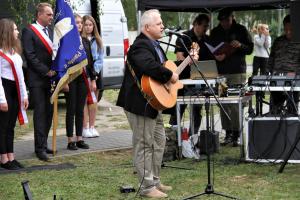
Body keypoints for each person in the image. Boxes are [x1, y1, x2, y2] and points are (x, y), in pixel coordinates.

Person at [116, 9, 178, 198]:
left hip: (153, 102)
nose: (163, 26)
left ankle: (155, 180)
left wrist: (177, 65)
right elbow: (149, 66)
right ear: (147, 27)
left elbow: (161, 66)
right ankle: (146, 187)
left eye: (161, 23)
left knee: (159, 141)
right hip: (140, 103)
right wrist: (169, 75)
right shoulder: (140, 46)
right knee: (143, 144)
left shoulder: (155, 45)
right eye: (159, 23)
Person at [209, 8, 253, 147]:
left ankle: (237, 133)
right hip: (221, 71)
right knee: (223, 103)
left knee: (235, 103)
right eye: (222, 21)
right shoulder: (215, 31)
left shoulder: (241, 29)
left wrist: (240, 45)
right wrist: (215, 56)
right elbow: (210, 48)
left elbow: (250, 49)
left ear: (232, 17)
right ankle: (227, 133)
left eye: (226, 20)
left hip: (236, 71)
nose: (224, 23)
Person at [169, 14, 213, 136]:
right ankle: (174, 136)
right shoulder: (183, 37)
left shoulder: (207, 39)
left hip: (199, 79)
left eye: (207, 26)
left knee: (197, 108)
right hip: (183, 78)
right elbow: (179, 55)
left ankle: (193, 136)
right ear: (196, 24)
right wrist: (189, 61)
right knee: (179, 107)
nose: (206, 28)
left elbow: (210, 58)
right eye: (204, 26)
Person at [21, 3, 55, 161]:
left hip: (51, 80)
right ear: (39, 15)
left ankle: (44, 143)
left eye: (52, 14)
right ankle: (38, 148)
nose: (51, 17)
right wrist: (45, 71)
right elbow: (30, 55)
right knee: (40, 114)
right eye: (48, 14)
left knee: (49, 113)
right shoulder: (29, 31)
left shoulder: (50, 31)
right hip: (37, 80)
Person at [63, 14, 95, 150]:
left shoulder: (85, 41)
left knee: (80, 109)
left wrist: (93, 78)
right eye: (77, 22)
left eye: (81, 22)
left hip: (83, 78)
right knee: (71, 109)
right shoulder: (67, 41)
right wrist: (63, 81)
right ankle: (70, 140)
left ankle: (79, 138)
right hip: (71, 79)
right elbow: (63, 63)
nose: (80, 25)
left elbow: (90, 61)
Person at [0, 19, 29, 170]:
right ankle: (3, 158)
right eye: (15, 29)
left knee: (11, 126)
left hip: (15, 91)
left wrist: (24, 96)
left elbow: (21, 77)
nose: (18, 32)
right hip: (4, 90)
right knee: (3, 126)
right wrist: (1, 100)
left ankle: (11, 156)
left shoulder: (15, 53)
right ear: (7, 32)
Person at [267, 15, 300, 115]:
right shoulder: (278, 41)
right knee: (274, 112)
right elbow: (271, 59)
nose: (288, 32)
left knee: (292, 114)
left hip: (294, 82)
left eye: (291, 29)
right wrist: (267, 73)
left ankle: (291, 128)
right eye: (286, 29)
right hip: (276, 80)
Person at [81, 15, 104, 138]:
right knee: (84, 100)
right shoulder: (80, 40)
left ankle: (92, 126)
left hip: (96, 74)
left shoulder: (98, 40)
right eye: (86, 25)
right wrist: (88, 75)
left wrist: (94, 74)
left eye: (91, 25)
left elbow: (100, 59)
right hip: (84, 74)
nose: (88, 27)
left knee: (94, 101)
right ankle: (84, 127)